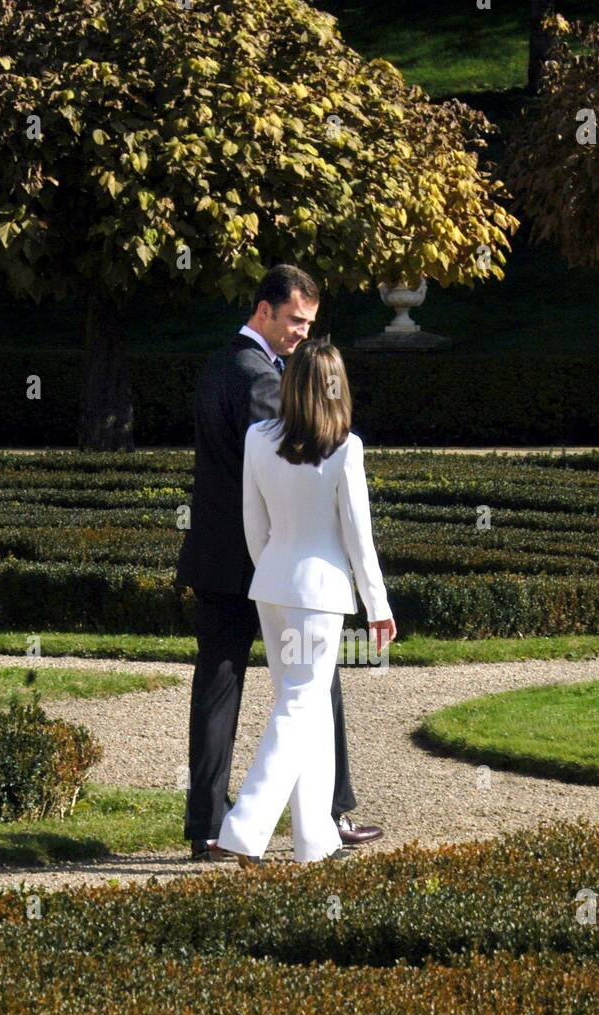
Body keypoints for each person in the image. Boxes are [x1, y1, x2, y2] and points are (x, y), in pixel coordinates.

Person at [176, 264, 384, 860]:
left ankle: (209, 824)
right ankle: (322, 814)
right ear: (264, 310)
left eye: (309, 323)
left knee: (218, 685)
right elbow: (301, 451)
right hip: (269, 563)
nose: (302, 332)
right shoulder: (261, 380)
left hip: (217, 557)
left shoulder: (218, 364)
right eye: (295, 320)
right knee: (311, 692)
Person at [215, 338, 396, 865]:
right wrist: (378, 606)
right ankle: (244, 827)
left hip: (271, 586)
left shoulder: (258, 437)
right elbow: (359, 538)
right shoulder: (346, 447)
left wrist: (273, 573)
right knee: (300, 707)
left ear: (291, 385)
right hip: (318, 596)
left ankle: (315, 837)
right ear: (335, 389)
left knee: (306, 709)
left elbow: (255, 525)